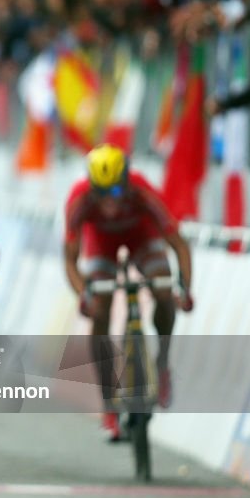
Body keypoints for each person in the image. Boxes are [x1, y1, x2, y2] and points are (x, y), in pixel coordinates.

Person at [64, 144, 193, 441]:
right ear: (91, 187)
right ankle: (109, 405)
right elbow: (70, 258)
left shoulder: (142, 189)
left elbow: (179, 244)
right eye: (102, 194)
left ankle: (162, 363)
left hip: (142, 236)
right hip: (101, 243)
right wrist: (83, 293)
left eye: (117, 192)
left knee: (162, 284)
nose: (110, 202)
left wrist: (184, 286)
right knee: (100, 309)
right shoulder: (79, 198)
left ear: (127, 182)